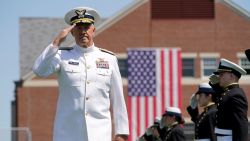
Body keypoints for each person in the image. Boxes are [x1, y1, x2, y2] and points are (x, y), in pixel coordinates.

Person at [32, 7, 129, 141]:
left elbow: (118, 98)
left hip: (100, 134)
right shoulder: (61, 55)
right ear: (72, 32)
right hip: (68, 134)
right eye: (78, 28)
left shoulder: (109, 59)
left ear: (93, 30)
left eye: (86, 27)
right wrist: (56, 43)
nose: (83, 32)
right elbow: (39, 70)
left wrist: (121, 132)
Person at [209, 58, 248, 141]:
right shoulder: (229, 93)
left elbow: (241, 125)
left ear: (231, 76)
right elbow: (222, 101)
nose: (219, 77)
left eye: (221, 74)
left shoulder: (236, 94)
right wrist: (216, 86)